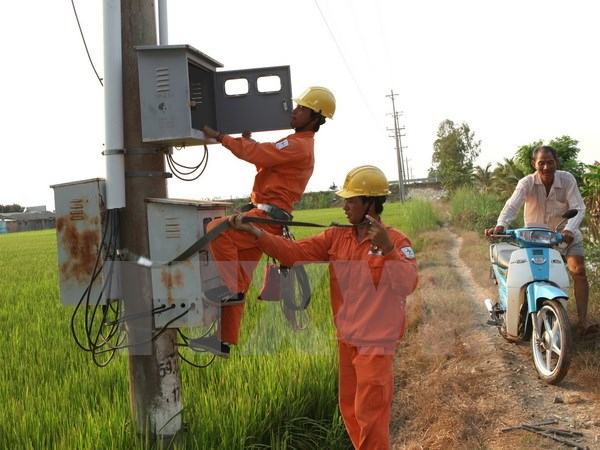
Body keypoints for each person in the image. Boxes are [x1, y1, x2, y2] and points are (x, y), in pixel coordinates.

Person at [229, 165, 418, 450]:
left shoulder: (396, 241)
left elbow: (408, 284)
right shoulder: (336, 237)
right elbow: (293, 253)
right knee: (351, 410)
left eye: (351, 201)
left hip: (376, 346)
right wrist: (257, 233)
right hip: (346, 340)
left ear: (370, 203)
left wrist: (388, 250)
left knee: (371, 416)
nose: (344, 206)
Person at [190, 86, 336, 357]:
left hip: (266, 218)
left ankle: (230, 291)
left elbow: (260, 154)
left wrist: (223, 138)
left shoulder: (298, 145)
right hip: (270, 219)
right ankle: (223, 341)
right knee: (241, 277)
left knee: (217, 230)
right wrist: (247, 144)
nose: (294, 111)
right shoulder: (297, 146)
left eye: (301, 109)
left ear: (315, 118)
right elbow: (264, 163)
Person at [486, 145, 595, 336]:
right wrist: (501, 224)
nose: (546, 167)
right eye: (541, 163)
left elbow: (578, 208)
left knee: (578, 270)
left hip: (565, 235)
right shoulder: (526, 183)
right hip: (536, 238)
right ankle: (521, 315)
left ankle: (583, 322)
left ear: (556, 163)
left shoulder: (567, 179)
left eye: (550, 162)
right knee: (530, 275)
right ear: (533, 164)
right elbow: (512, 205)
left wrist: (569, 229)